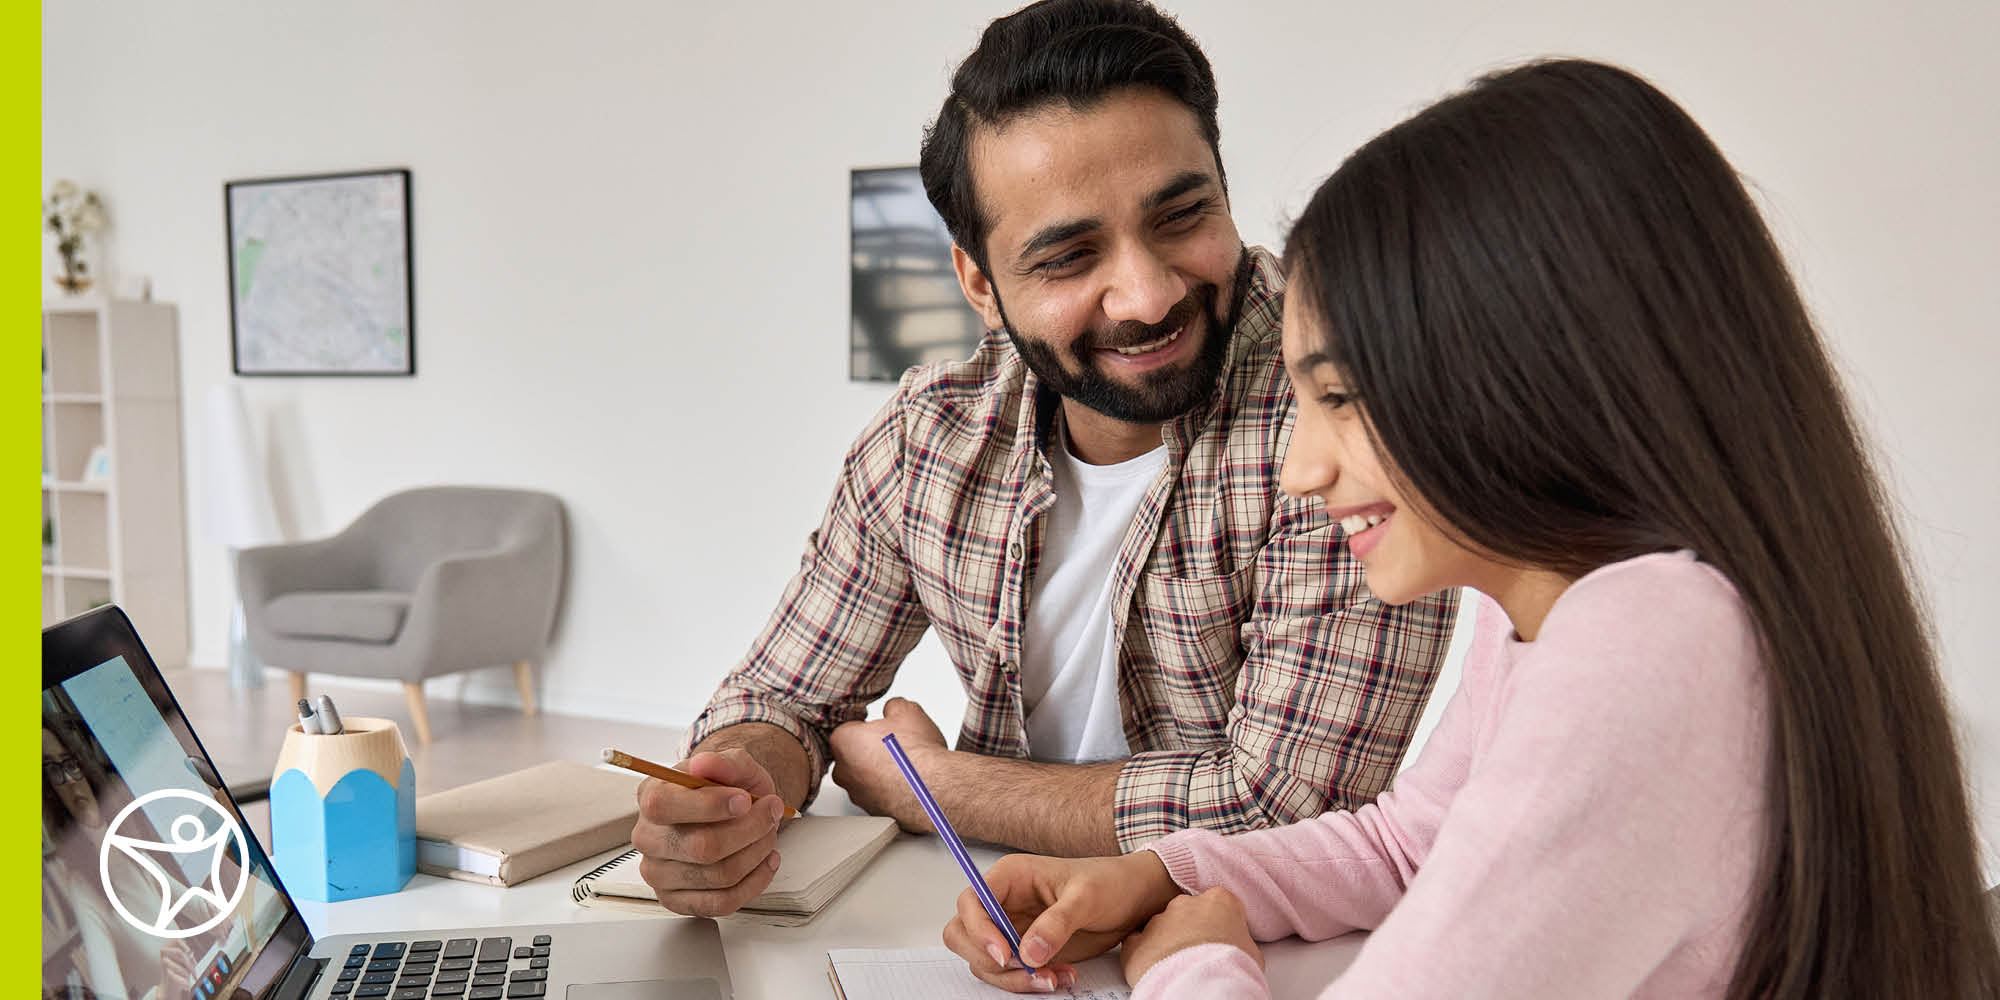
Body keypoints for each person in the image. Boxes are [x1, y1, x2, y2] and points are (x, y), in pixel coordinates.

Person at [938, 58, 2000, 998]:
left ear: (1523, 373)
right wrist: (1167, 875)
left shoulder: (1647, 643)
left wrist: (1187, 962)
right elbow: (1414, 841)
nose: (1304, 469)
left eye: (1342, 398)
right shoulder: (1563, 592)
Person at [629, 0, 1457, 918]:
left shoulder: (1347, 405)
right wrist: (735, 790)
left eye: (1183, 215)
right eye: (1068, 258)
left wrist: (934, 787)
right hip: (1003, 931)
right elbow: (785, 697)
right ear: (979, 284)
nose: (1146, 295)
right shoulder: (930, 442)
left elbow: (1292, 805)